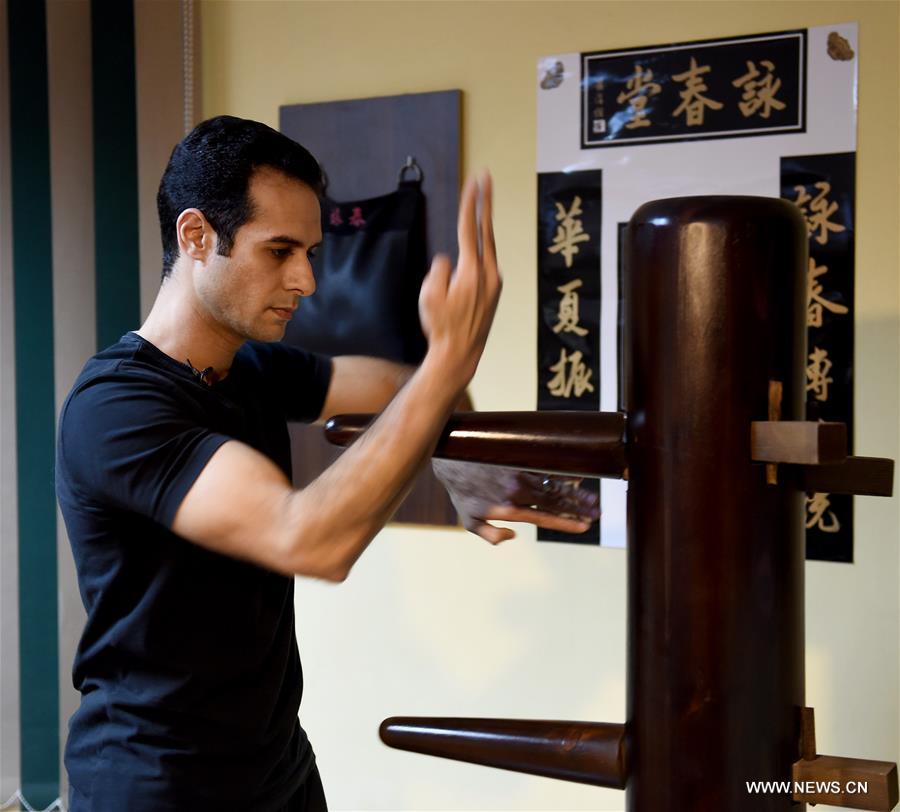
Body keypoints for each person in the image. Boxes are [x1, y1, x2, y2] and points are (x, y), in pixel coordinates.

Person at [56, 116, 598, 811]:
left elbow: (417, 393)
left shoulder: (251, 369)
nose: (306, 279)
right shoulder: (116, 407)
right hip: (155, 782)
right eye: (279, 250)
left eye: (311, 251)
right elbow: (310, 539)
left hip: (276, 765)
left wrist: (452, 454)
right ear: (196, 236)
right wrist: (446, 363)